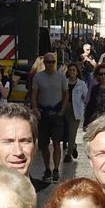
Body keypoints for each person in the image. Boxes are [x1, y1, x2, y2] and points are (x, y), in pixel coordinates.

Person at [30, 53, 70, 182]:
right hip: (43, 114)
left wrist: (62, 110)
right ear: (44, 63)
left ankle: (56, 169)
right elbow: (34, 95)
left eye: (53, 62)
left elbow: (66, 94)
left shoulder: (61, 77)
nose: (51, 64)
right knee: (43, 144)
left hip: (57, 113)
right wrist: (35, 109)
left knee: (57, 142)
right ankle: (47, 168)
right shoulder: (38, 77)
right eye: (48, 62)